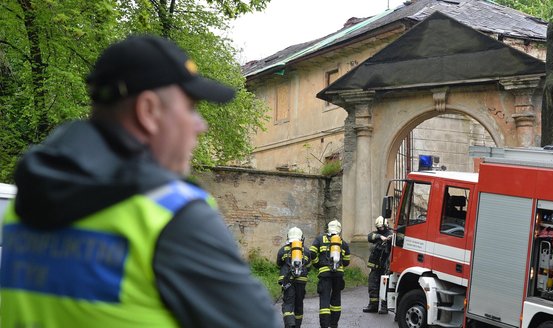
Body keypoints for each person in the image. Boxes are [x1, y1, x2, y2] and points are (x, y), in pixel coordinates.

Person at [0, 35, 279, 327]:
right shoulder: (170, 214)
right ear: (148, 111)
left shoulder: (26, 202)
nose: (201, 126)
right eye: (190, 108)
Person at [310, 219, 351, 328]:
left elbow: (312, 253)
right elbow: (346, 262)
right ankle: (334, 325)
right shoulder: (343, 243)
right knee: (336, 300)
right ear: (339, 230)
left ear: (328, 228)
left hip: (325, 274)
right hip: (338, 275)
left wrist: (317, 264)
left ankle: (324, 325)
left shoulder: (319, 239)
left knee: (324, 300)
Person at [276, 227, 311, 328]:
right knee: (299, 304)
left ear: (288, 237)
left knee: (288, 303)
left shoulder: (283, 250)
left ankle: (290, 324)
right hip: (301, 280)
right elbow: (308, 267)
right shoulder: (307, 251)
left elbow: (278, 264)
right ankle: (297, 325)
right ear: (301, 238)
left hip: (287, 280)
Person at [363, 216, 393, 314]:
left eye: (382, 227)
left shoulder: (391, 235)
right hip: (375, 267)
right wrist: (380, 237)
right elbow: (369, 236)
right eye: (379, 227)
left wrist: (389, 239)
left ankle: (384, 307)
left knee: (385, 287)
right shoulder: (375, 235)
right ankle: (373, 306)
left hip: (385, 268)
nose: (381, 229)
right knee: (373, 286)